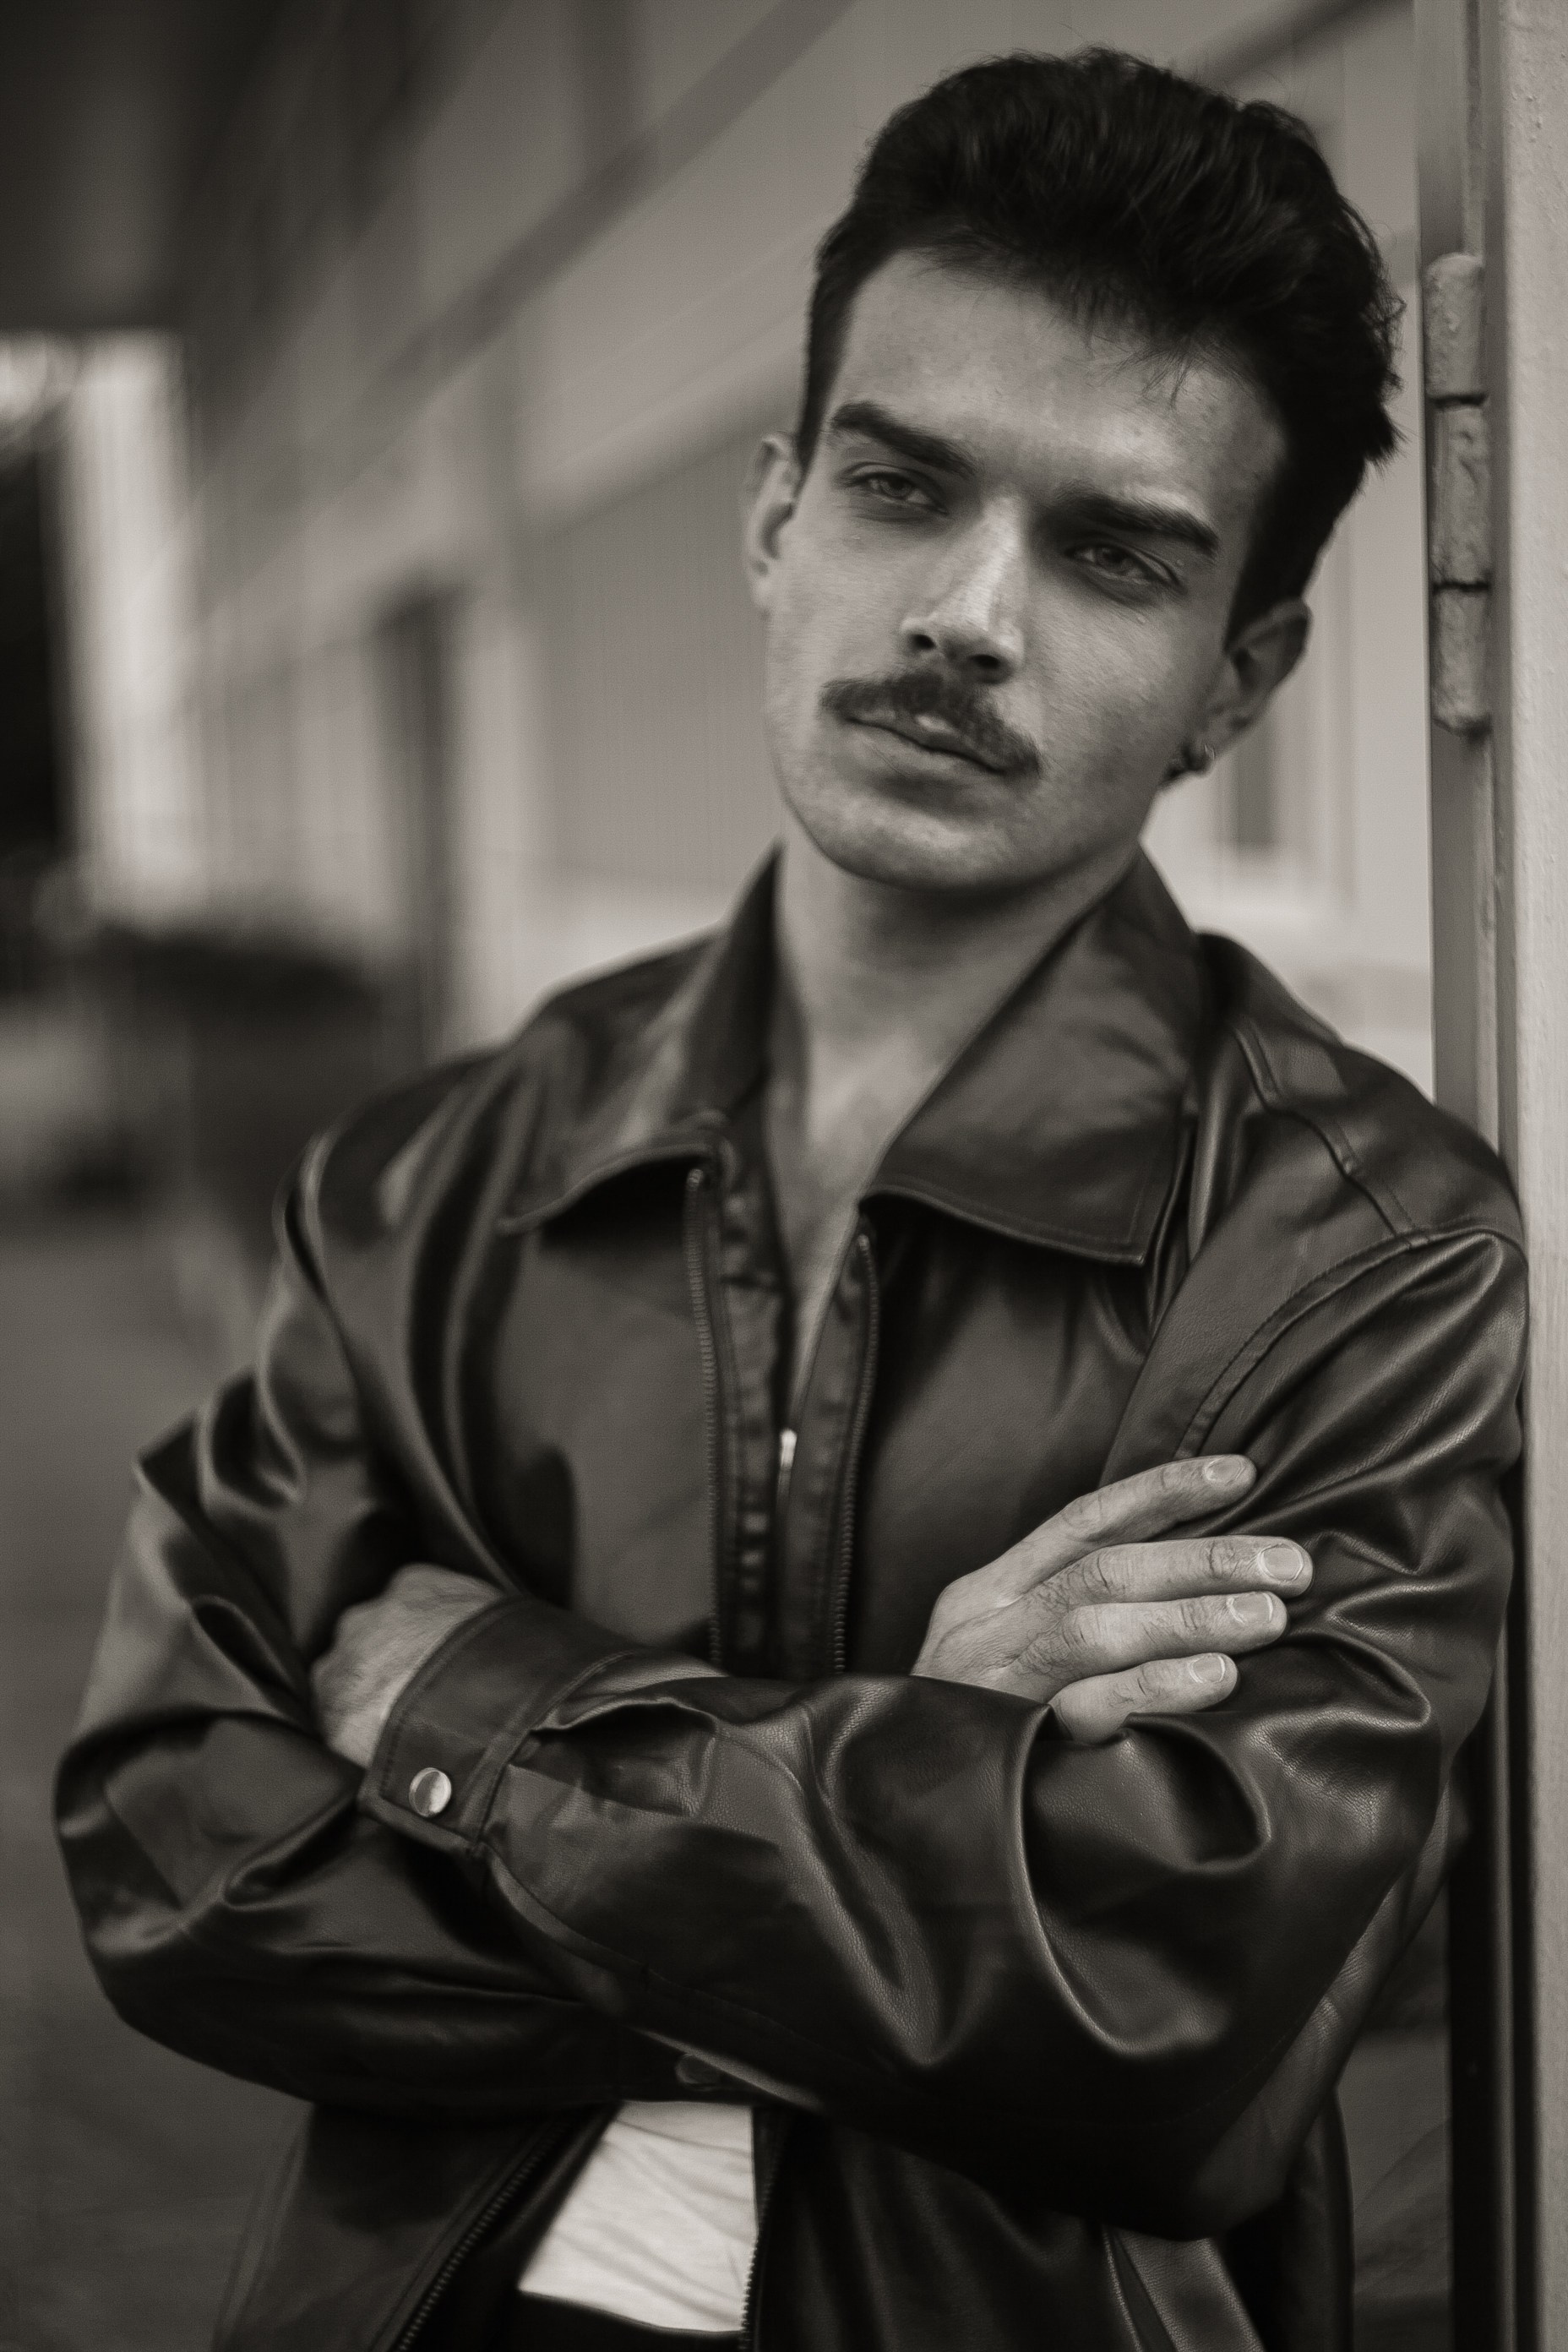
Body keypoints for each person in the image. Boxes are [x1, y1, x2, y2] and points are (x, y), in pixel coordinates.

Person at [58, 47, 1523, 2352]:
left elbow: (1165, 2025)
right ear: (774, 517)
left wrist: (465, 1704)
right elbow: (178, 1852)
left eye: (1112, 553)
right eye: (900, 486)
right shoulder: (434, 1178)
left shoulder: (1355, 1253)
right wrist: (914, 1781)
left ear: (1239, 680)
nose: (968, 614)